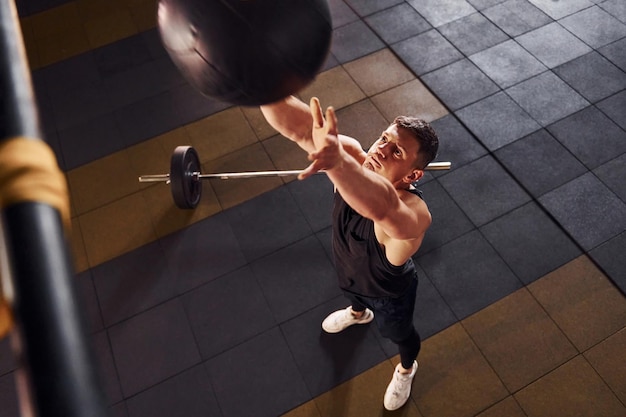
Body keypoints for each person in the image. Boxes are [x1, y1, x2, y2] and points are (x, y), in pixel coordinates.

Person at [260, 95, 439, 411]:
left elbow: (381, 206)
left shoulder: (414, 214)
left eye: (396, 151)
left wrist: (337, 163)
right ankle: (358, 313)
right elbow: (302, 129)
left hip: (389, 296)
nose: (380, 149)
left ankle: (407, 368)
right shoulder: (354, 158)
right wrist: (259, 86)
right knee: (352, 293)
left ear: (413, 175)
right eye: (384, 139)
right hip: (348, 268)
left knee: (401, 334)